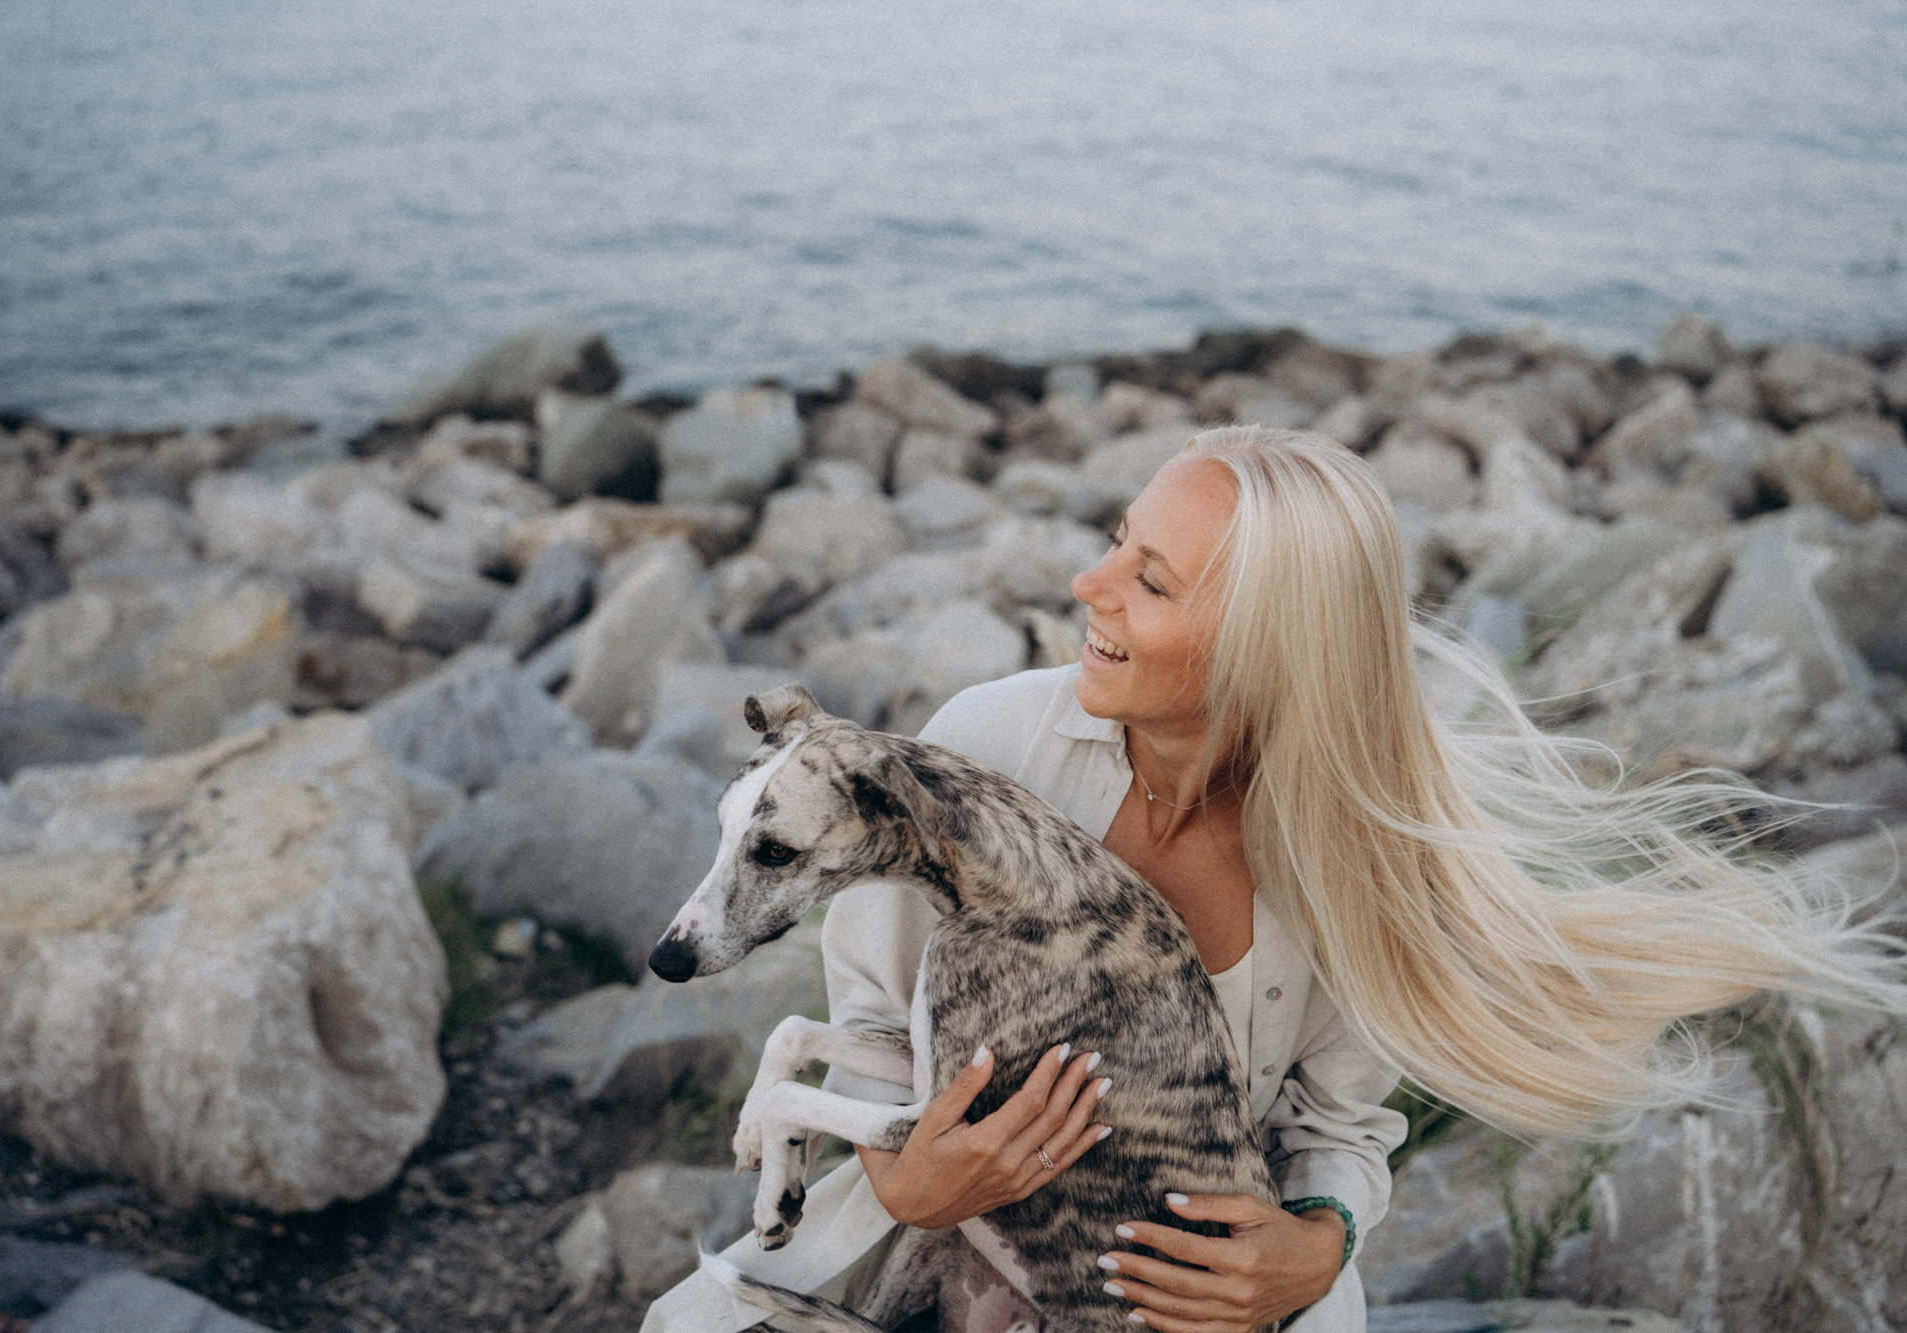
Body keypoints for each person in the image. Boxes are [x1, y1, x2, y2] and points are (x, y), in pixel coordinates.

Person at [643, 424, 1906, 1333]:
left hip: (1188, 1288)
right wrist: (908, 1180)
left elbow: (1342, 1129)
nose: (1087, 588)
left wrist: (1313, 1247)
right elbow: (872, 1021)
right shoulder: (982, 742)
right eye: (1112, 542)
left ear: (1264, 639)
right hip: (921, 1235)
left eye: (1150, 579)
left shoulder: (1363, 849)